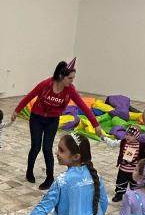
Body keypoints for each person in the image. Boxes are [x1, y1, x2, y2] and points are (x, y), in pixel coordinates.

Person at [11, 58, 103, 189]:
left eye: (73, 78)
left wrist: (95, 124)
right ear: (61, 76)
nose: (72, 81)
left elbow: (83, 106)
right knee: (35, 147)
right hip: (37, 118)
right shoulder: (45, 84)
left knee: (47, 148)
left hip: (52, 120)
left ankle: (49, 177)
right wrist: (17, 110)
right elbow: (29, 96)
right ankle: (29, 171)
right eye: (70, 78)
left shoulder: (70, 90)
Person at [112, 125, 145, 201]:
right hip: (123, 169)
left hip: (134, 171)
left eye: (131, 135)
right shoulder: (123, 142)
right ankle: (119, 194)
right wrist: (104, 138)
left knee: (135, 184)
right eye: (127, 134)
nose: (128, 136)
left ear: (136, 136)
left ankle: (135, 196)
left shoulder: (141, 146)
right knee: (120, 182)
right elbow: (113, 143)